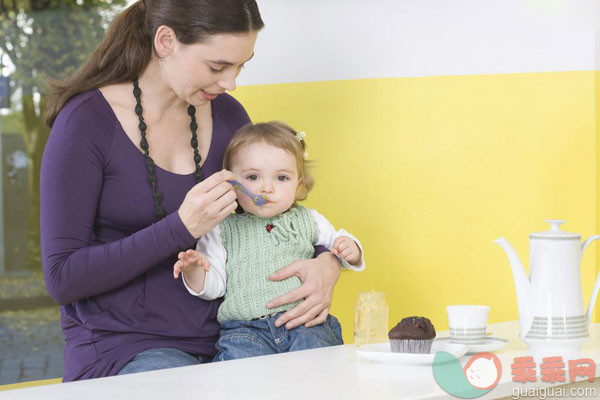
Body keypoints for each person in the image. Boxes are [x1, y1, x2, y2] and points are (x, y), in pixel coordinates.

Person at [41, 0, 345, 381]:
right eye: (217, 66)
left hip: (239, 337)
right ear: (166, 41)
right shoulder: (85, 123)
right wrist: (181, 226)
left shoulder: (229, 116)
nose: (231, 83)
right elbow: (62, 277)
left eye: (241, 66)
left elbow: (267, 219)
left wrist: (327, 262)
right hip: (126, 347)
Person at [173, 122, 366, 361]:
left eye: (282, 178)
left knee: (319, 374)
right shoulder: (221, 228)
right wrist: (194, 269)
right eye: (253, 177)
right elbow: (215, 287)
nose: (267, 188)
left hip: (305, 323)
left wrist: (351, 249)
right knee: (237, 382)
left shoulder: (309, 219)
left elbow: (339, 245)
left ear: (299, 185)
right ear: (231, 183)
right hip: (244, 332)